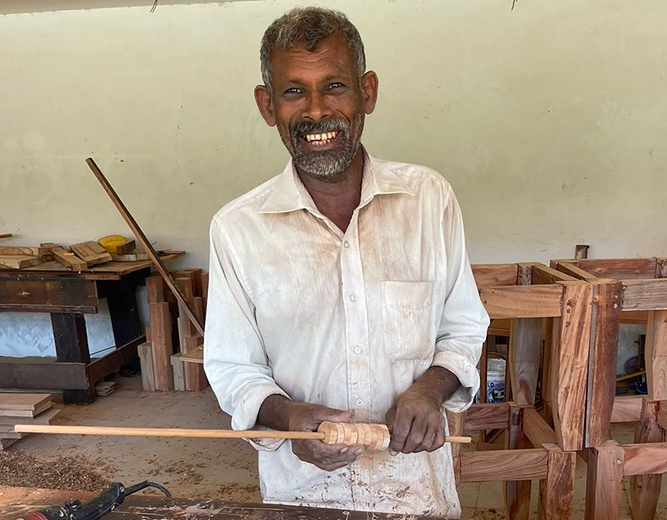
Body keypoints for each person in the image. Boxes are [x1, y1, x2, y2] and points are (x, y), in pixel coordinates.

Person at [203, 6, 489, 518]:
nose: (316, 111)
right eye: (294, 91)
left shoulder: (429, 199)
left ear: (368, 93)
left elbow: (463, 327)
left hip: (416, 491)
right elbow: (233, 368)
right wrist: (288, 418)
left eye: (334, 86)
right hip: (303, 494)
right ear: (268, 105)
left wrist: (429, 391)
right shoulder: (237, 228)